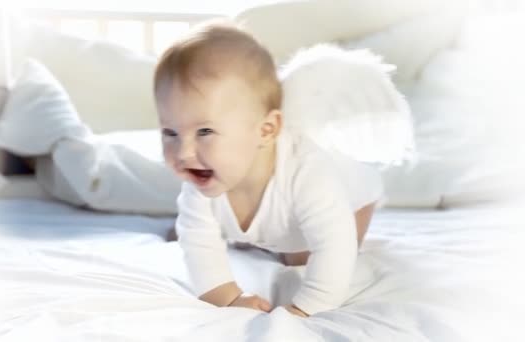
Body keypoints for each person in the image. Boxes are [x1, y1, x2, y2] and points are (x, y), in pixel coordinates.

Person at [153, 22, 382, 317]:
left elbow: (335, 247)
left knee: (301, 256)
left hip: (352, 201)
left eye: (205, 131)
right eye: (170, 133)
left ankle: (260, 238)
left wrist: (306, 308)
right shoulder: (204, 173)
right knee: (197, 227)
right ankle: (252, 235)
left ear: (266, 129)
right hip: (279, 215)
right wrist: (227, 298)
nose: (183, 153)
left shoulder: (307, 174)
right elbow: (198, 243)